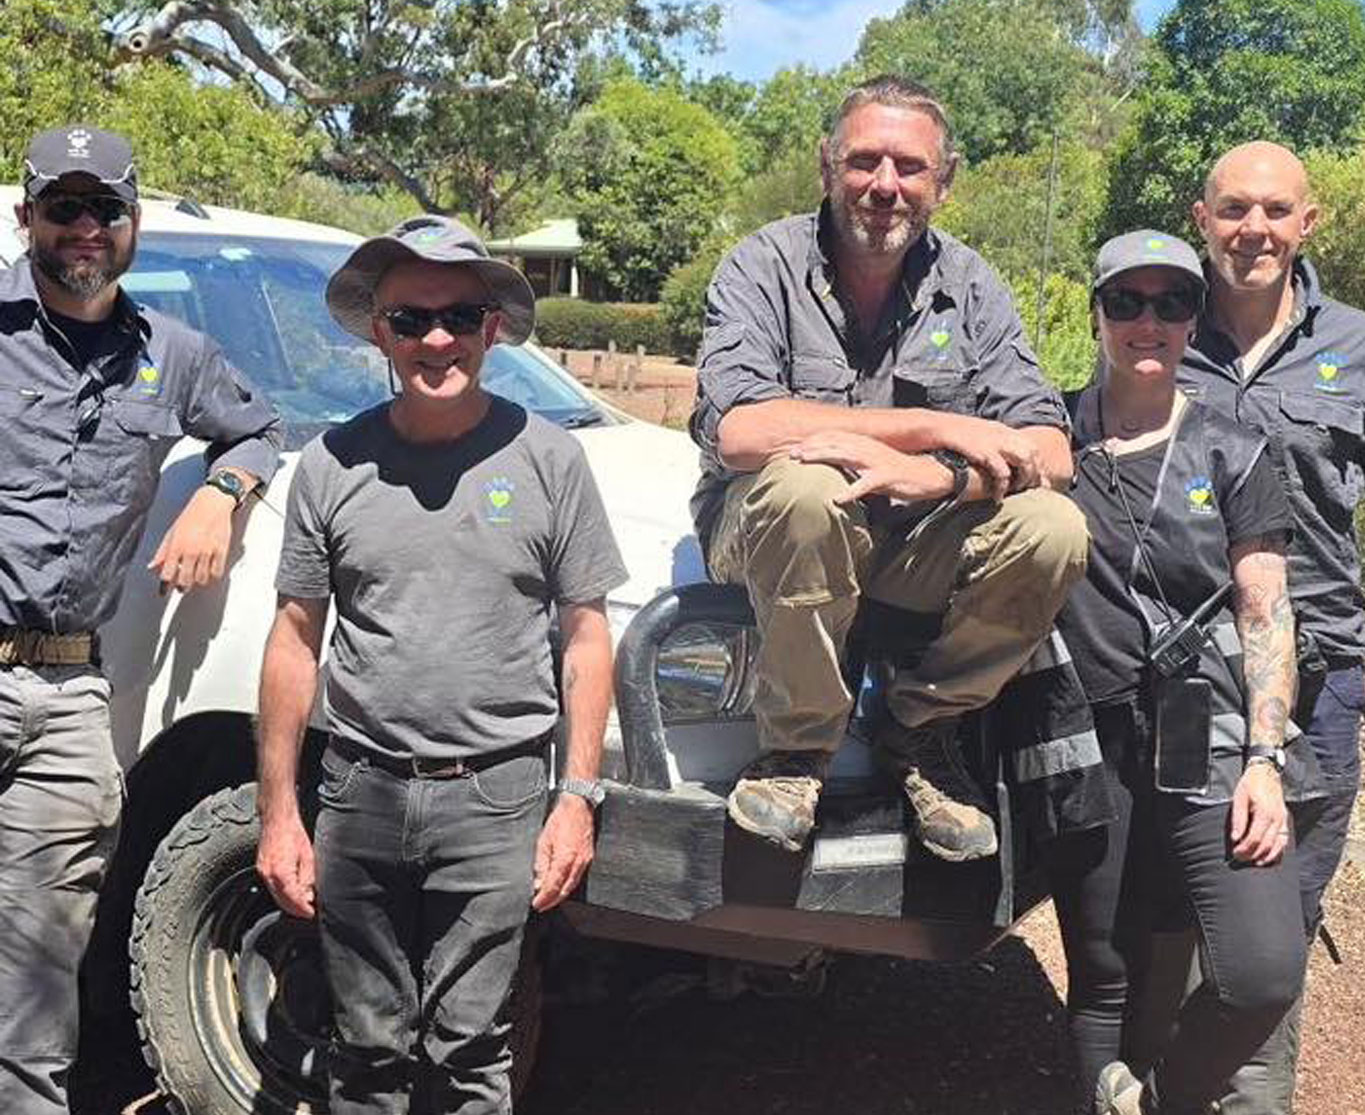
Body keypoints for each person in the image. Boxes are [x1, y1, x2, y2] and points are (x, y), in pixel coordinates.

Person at [254, 215, 626, 1115]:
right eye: (410, 319)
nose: (436, 339)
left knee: (472, 1049)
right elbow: (295, 639)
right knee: (367, 1048)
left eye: (459, 316)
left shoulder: (549, 458)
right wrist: (277, 814)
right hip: (360, 794)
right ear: (377, 330)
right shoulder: (331, 464)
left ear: (492, 327)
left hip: (494, 796)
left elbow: (585, 636)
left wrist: (575, 800)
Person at [689, 74, 1088, 859]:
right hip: (768, 531)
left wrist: (943, 477)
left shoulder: (972, 286)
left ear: (943, 181)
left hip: (908, 544)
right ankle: (797, 751)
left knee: (1052, 526)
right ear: (826, 166)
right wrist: (931, 425)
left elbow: (1050, 450)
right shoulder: (760, 265)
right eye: (863, 161)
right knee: (807, 486)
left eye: (908, 167)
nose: (883, 186)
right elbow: (738, 432)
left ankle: (920, 730)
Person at [0, 125, 282, 1115]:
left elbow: (257, 425)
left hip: (71, 702)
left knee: (38, 981)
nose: (86, 228)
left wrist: (226, 491)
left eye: (105, 208)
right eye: (65, 207)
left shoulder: (175, 355)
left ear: (134, 223)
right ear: (28, 216)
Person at [1048, 230, 1312, 1115]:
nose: (1147, 322)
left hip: (1208, 734)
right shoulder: (1050, 438)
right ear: (1097, 313)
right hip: (1083, 736)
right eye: (1125, 302)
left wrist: (1264, 761)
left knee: (1258, 970)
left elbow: (1266, 607)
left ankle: (1157, 1104)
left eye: (1170, 302)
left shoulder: (1233, 445)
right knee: (1106, 968)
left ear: (1194, 316)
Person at [1178, 141, 1365, 1112]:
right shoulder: (1153, 330)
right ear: (1202, 218)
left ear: (1307, 223)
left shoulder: (1357, 346)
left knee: (1281, 911)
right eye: (1235, 208)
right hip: (1183, 674)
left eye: (1275, 210)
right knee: (1179, 899)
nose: (1255, 227)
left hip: (1324, 675)